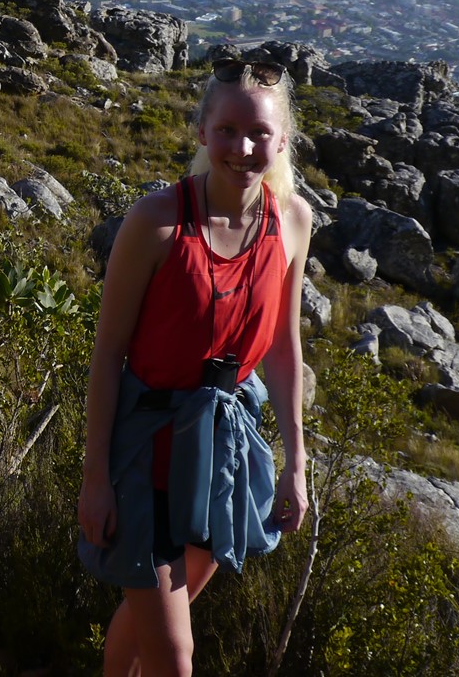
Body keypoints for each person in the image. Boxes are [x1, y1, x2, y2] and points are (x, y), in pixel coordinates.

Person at [77, 48, 312, 677]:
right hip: (145, 451)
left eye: (258, 133)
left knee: (149, 629)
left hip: (219, 452)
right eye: (227, 131)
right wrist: (95, 475)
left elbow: (284, 348)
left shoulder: (292, 221)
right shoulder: (156, 222)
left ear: (281, 139)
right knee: (176, 656)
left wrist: (297, 463)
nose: (241, 148)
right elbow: (108, 354)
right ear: (202, 132)